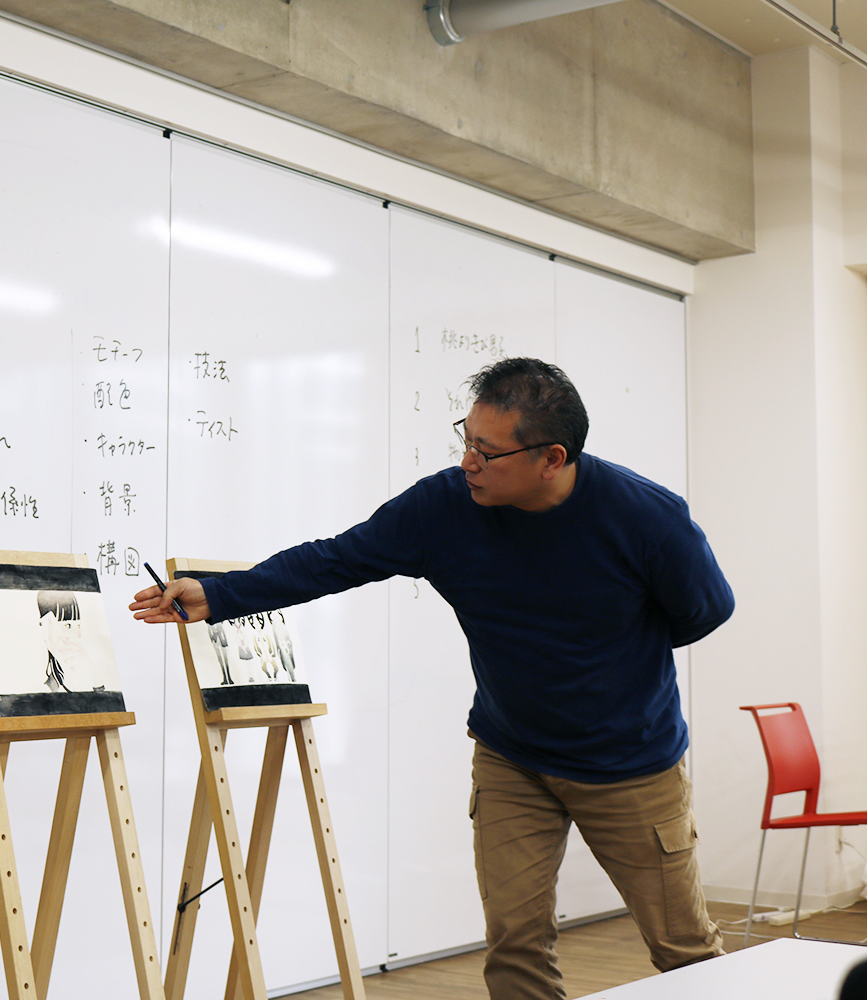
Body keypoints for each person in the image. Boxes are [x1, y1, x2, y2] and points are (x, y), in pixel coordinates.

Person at [131, 357, 733, 1000]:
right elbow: (336, 559)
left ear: (552, 458)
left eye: (487, 452)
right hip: (513, 757)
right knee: (515, 948)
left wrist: (610, 661)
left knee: (684, 950)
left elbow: (705, 610)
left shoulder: (647, 518)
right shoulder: (444, 507)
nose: (468, 462)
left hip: (630, 765)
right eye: (465, 440)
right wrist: (220, 594)